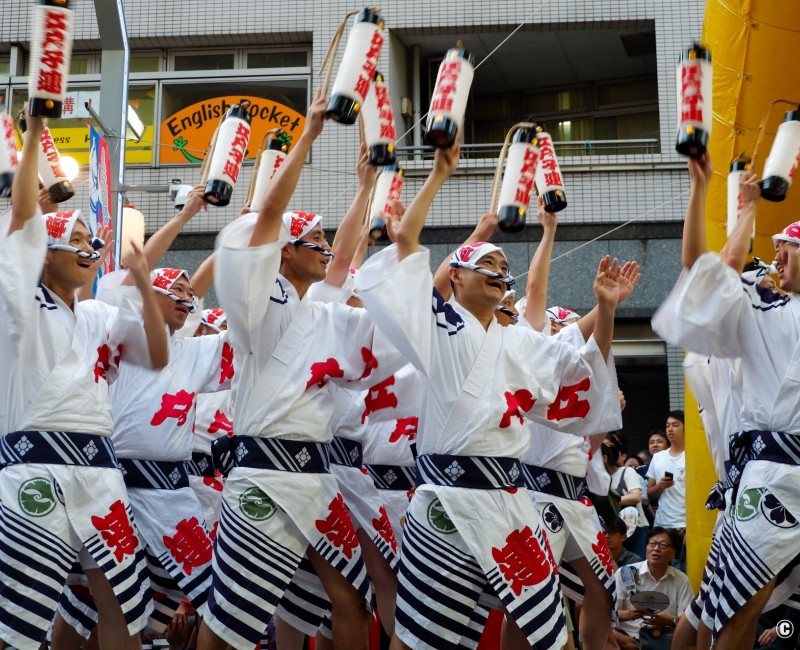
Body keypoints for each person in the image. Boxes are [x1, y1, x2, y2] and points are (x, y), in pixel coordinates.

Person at [355, 140, 623, 649]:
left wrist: (605, 310)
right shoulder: (436, 326)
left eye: (505, 266)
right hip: (445, 501)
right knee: (419, 639)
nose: (502, 271)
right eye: (489, 263)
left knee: (548, 631)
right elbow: (406, 249)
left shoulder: (518, 338)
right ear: (456, 275)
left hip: (509, 500)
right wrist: (438, 174)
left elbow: (579, 375)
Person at [197, 91, 395, 650]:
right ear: (283, 250)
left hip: (317, 474)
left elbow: (344, 260)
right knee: (232, 612)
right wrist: (308, 135)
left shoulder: (319, 311)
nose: (327, 250)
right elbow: (266, 219)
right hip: (262, 471)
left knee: (350, 597)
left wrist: (364, 189)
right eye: (315, 241)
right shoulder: (257, 301)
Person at [0, 106, 169, 649]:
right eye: (73, 238)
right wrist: (34, 138)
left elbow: (158, 357)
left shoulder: (98, 315)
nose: (89, 249)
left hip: (100, 473)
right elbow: (24, 216)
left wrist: (144, 285)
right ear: (41, 256)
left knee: (123, 608)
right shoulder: (18, 304)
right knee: (20, 618)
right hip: (34, 471)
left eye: (93, 242)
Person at [651, 151, 800, 649]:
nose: (776, 259)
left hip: (769, 476)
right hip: (771, 476)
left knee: (747, 610)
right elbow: (704, 267)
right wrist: (729, 199)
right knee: (737, 606)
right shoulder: (762, 308)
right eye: (772, 249)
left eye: (786, 249)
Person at [613, 528, 694, 650]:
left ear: (673, 553)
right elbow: (608, 614)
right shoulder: (627, 573)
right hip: (628, 636)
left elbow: (688, 621)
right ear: (646, 548)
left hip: (666, 637)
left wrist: (670, 620)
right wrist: (628, 614)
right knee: (605, 631)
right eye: (652, 544)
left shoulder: (681, 580)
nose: (656, 549)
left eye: (663, 545)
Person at [646, 411, 686, 570]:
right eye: (668, 425)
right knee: (658, 569)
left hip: (686, 525)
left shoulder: (694, 455)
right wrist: (661, 486)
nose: (670, 429)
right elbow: (650, 493)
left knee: (684, 572)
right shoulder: (658, 457)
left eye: (675, 425)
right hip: (662, 523)